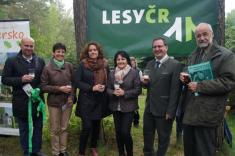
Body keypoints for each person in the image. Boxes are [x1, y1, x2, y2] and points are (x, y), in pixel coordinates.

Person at [180, 23, 235, 156]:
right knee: (190, 150)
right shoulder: (193, 55)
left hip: (209, 114)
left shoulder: (225, 55)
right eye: (198, 35)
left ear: (212, 34)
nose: (201, 38)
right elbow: (188, 72)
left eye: (205, 34)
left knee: (204, 152)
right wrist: (184, 77)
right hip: (190, 112)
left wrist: (200, 86)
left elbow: (229, 81)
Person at [1, 37, 45, 156]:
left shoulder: (40, 61)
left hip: (37, 100)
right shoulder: (12, 61)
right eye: (26, 45)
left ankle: (37, 150)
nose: (29, 48)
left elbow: (44, 80)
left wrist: (39, 89)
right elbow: (4, 79)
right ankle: (27, 151)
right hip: (21, 101)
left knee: (38, 127)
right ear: (21, 45)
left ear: (34, 47)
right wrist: (20, 79)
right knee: (24, 129)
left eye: (31, 46)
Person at [142, 37, 182, 156]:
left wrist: (171, 111)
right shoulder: (150, 64)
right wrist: (144, 83)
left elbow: (175, 91)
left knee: (163, 139)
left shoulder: (175, 65)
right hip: (149, 108)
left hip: (164, 110)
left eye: (160, 46)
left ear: (166, 47)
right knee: (147, 136)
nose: (157, 49)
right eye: (155, 47)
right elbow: (147, 84)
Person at [74, 41, 109, 156]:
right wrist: (91, 88)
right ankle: (81, 152)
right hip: (86, 100)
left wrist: (104, 86)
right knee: (87, 127)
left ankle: (93, 147)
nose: (93, 52)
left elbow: (108, 80)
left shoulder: (104, 64)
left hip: (99, 100)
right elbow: (77, 82)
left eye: (95, 50)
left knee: (96, 127)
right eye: (90, 50)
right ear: (87, 52)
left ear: (98, 51)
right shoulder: (82, 65)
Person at [41, 43, 75, 156]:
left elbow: (74, 84)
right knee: (55, 129)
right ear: (53, 53)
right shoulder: (47, 68)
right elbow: (43, 87)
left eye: (62, 52)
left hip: (67, 103)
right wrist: (59, 89)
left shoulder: (69, 66)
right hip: (54, 103)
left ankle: (63, 150)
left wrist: (71, 97)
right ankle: (55, 152)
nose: (60, 54)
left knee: (64, 127)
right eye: (58, 51)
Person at [107, 51, 141, 156]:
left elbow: (138, 90)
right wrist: (113, 92)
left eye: (123, 59)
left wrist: (124, 93)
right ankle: (121, 153)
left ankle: (129, 153)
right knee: (118, 132)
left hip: (129, 107)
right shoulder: (112, 73)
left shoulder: (134, 73)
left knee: (125, 132)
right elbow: (108, 89)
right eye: (118, 59)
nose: (120, 61)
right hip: (116, 107)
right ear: (115, 61)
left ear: (127, 60)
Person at [130, 56, 142, 127]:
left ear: (135, 61)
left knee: (135, 107)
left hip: (135, 91)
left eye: (132, 61)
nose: (131, 62)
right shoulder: (126, 69)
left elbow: (141, 81)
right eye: (130, 61)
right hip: (128, 90)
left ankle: (136, 121)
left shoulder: (138, 70)